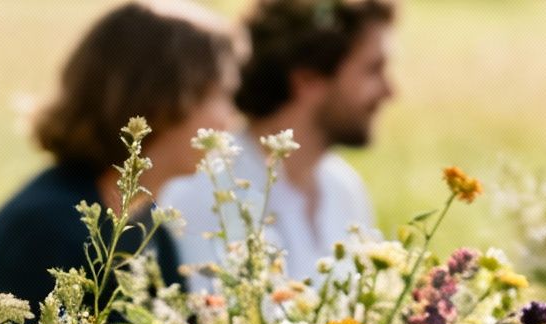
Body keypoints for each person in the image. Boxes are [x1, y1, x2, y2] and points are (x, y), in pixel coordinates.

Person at [0, 1, 243, 324]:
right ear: (163, 100)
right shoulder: (48, 228)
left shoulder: (149, 228)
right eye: (221, 96)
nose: (231, 118)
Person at [157, 0, 396, 285]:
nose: (389, 91)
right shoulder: (206, 191)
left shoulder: (344, 188)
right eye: (373, 69)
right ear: (307, 80)